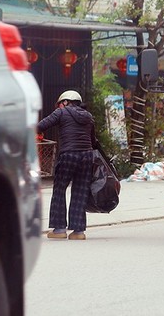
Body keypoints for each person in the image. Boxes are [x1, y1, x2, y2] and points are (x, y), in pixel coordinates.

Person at [38, 90, 97, 241]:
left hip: (69, 154)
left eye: (60, 104)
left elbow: (41, 125)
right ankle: (78, 232)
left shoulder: (61, 112)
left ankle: (59, 229)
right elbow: (93, 141)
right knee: (80, 191)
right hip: (87, 156)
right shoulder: (88, 116)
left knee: (59, 189)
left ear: (65, 102)